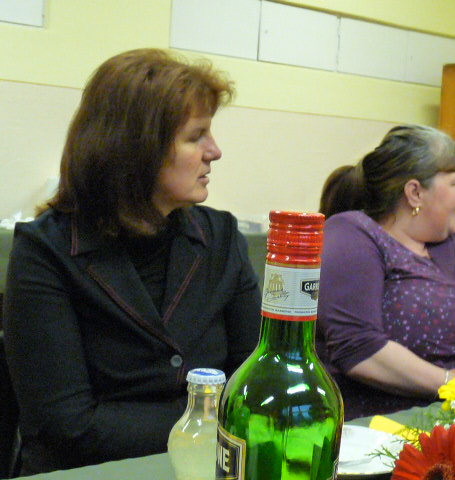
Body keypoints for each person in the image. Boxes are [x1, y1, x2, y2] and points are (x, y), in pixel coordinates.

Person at [2, 48, 262, 474]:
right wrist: (204, 424)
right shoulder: (46, 250)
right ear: (137, 149)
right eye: (196, 137)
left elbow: (256, 385)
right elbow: (65, 426)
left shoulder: (220, 238)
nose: (214, 151)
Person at [316, 125, 455, 420]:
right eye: (454, 184)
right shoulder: (353, 234)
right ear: (414, 192)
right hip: (386, 426)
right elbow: (359, 349)